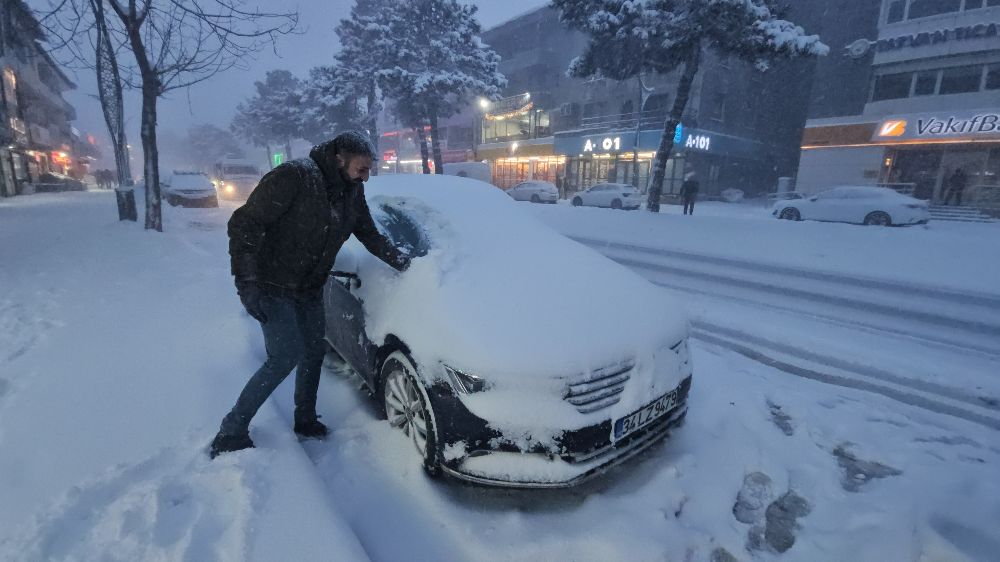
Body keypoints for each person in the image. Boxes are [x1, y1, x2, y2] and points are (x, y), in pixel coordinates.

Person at [210, 131, 412, 459]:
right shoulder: (294, 177)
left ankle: (305, 419)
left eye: (369, 170)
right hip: (272, 285)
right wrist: (246, 283)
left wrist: (405, 262)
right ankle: (231, 429)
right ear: (339, 158)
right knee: (284, 356)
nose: (367, 176)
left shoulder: (351, 191)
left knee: (314, 351)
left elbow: (368, 234)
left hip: (309, 287)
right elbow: (245, 225)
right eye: (362, 168)